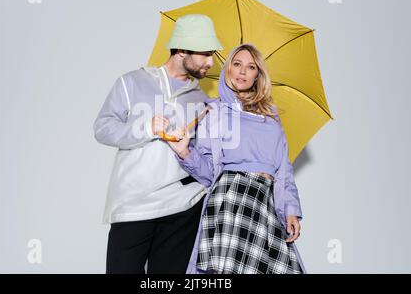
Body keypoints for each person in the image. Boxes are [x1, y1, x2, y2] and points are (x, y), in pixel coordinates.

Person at [93, 14, 223, 273]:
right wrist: (147, 127)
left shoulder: (202, 100)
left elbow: (204, 158)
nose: (211, 62)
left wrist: (190, 144)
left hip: (183, 206)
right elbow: (102, 128)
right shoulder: (132, 83)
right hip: (134, 205)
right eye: (205, 54)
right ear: (182, 50)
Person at [167, 43, 307, 274]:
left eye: (251, 67)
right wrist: (185, 151)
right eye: (237, 64)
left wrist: (290, 208)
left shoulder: (270, 116)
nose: (243, 71)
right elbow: (210, 172)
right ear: (227, 69)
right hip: (230, 200)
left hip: (265, 202)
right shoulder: (214, 111)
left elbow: (283, 169)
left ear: (257, 75)